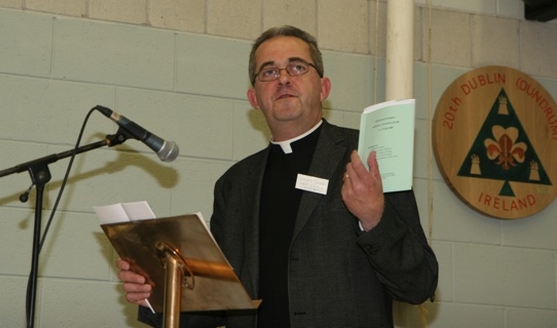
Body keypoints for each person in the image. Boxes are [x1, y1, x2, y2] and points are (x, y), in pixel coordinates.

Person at [117, 25, 438, 327]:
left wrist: (375, 218)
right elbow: (218, 306)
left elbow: (419, 283)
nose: (283, 78)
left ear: (324, 88)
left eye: (297, 67)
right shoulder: (235, 184)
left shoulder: (367, 155)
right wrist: (156, 292)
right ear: (254, 98)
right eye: (269, 71)